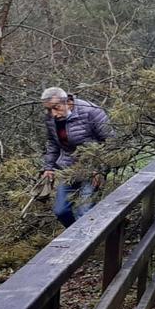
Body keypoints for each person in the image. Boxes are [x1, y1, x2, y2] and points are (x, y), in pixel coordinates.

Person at [40, 87, 114, 227]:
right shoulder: (51, 118)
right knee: (61, 211)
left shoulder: (92, 112)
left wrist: (100, 169)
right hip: (69, 169)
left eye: (56, 108)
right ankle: (79, 239)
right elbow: (53, 144)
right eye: (49, 109)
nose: (53, 114)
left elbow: (111, 143)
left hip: (93, 169)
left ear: (68, 102)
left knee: (84, 211)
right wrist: (48, 167)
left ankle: (88, 243)